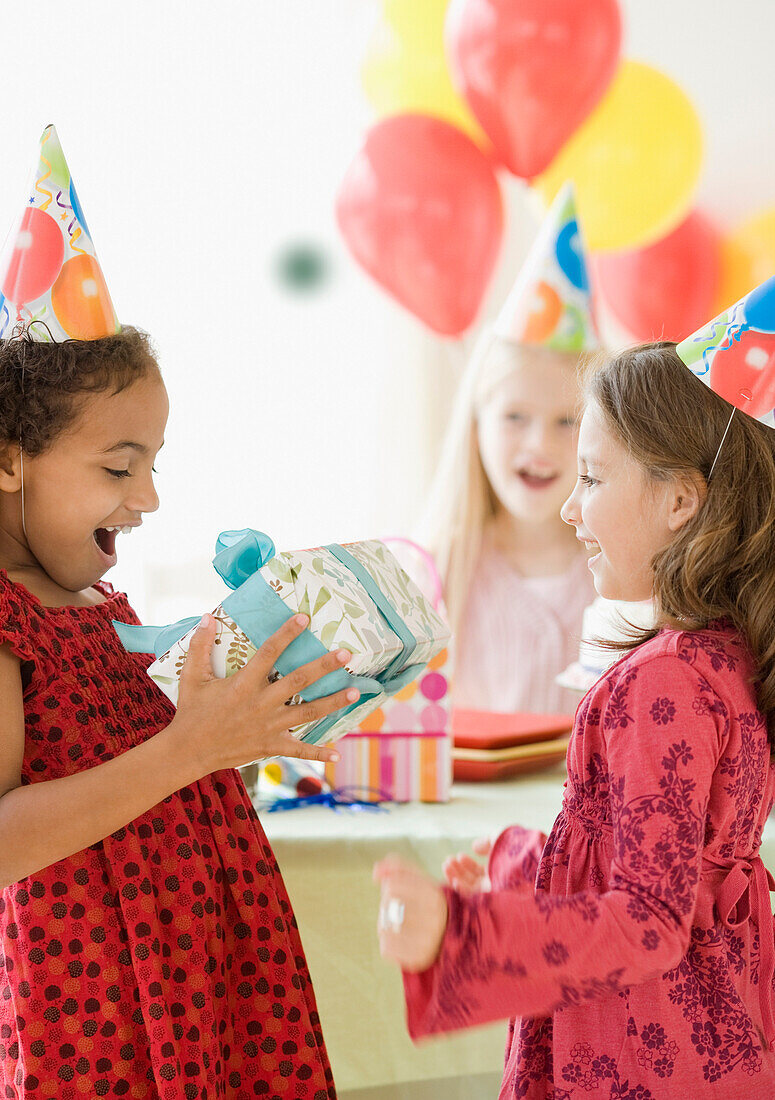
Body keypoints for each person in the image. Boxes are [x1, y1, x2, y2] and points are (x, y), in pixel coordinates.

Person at [0, 128, 353, 1099]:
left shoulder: (96, 601)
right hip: (99, 1015)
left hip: (197, 982)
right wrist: (187, 751)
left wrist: (238, 704)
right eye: (119, 466)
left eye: (154, 464)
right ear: (8, 459)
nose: (147, 498)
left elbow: (146, 752)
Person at [375, 279, 775, 1097]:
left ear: (678, 501)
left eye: (590, 478)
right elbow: (670, 868)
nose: (567, 509)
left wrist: (464, 935)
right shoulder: (727, 657)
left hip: (635, 1050)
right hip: (717, 1039)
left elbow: (645, 922)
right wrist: (518, 867)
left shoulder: (662, 682)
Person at [417, 182, 598, 714]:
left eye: (568, 420)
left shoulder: (626, 578)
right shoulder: (434, 572)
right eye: (515, 418)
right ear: (477, 427)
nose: (539, 444)